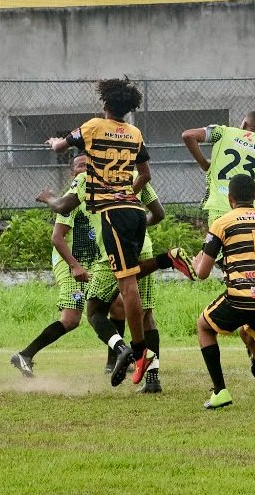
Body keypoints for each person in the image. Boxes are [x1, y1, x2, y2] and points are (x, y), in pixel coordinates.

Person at [38, 163, 191, 392]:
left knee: (95, 311)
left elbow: (62, 206)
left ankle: (123, 350)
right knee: (146, 315)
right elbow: (159, 213)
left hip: (112, 250)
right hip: (142, 245)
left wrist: (48, 197)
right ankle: (152, 379)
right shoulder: (133, 174)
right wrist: (137, 226)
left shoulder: (86, 180)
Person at [47, 78, 155, 383]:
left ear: (105, 103)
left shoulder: (93, 126)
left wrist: (54, 142)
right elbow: (145, 174)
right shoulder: (134, 133)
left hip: (113, 214)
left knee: (127, 285)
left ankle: (139, 350)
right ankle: (136, 348)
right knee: (125, 282)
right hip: (133, 210)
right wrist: (126, 191)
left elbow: (59, 147)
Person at [10, 156, 123, 377]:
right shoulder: (71, 201)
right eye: (80, 165)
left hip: (91, 262)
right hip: (69, 261)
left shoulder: (98, 196)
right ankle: (25, 355)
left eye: (89, 165)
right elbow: (57, 238)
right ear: (73, 174)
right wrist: (74, 266)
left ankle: (115, 361)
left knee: (118, 305)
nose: (85, 168)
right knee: (71, 319)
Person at [192, 175, 255, 410]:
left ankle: (220, 392)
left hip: (243, 296)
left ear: (230, 198)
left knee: (204, 326)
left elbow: (203, 272)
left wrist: (196, 263)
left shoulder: (222, 223)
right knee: (249, 334)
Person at [182, 111, 255, 226]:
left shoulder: (223, 132)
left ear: (244, 124)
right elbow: (253, 182)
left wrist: (205, 165)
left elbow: (188, 135)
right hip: (254, 212)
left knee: (221, 243)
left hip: (221, 209)